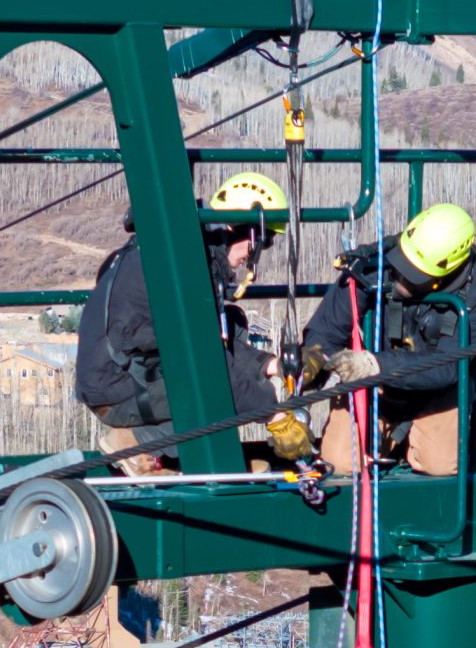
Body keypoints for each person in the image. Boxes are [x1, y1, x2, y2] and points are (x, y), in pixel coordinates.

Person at [75, 171, 306, 475]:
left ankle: (177, 453)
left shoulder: (185, 250)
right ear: (243, 232)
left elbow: (214, 341)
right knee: (212, 386)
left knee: (232, 323)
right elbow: (209, 361)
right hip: (116, 387)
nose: (257, 254)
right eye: (263, 242)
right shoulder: (186, 266)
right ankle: (135, 442)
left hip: (120, 371)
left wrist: (269, 364)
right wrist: (274, 415)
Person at [298, 202, 476, 478]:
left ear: (444, 273)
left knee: (439, 463)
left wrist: (376, 365)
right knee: (341, 461)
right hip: (377, 386)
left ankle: (409, 439)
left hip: (437, 391)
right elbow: (327, 328)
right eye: (401, 266)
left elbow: (448, 366)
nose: (400, 277)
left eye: (414, 274)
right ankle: (392, 438)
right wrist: (314, 364)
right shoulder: (374, 265)